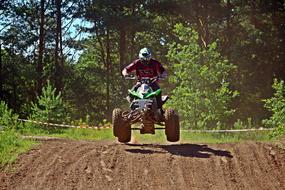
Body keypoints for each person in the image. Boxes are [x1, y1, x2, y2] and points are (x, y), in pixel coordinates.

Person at [122, 47, 167, 118]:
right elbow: (126, 69)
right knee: (131, 92)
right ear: (140, 58)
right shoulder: (136, 63)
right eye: (143, 61)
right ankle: (132, 111)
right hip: (140, 83)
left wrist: (162, 76)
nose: (146, 62)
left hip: (152, 82)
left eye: (147, 61)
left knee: (158, 92)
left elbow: (163, 71)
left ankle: (159, 110)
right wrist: (126, 74)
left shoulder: (155, 63)